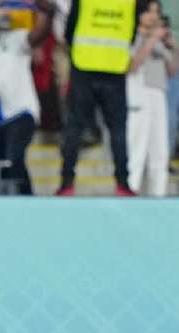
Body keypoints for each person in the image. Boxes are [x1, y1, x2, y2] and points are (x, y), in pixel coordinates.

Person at [0, 2, 55, 195]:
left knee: (13, 158)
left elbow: (38, 35)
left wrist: (46, 14)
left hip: (20, 111)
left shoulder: (16, 39)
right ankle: (24, 198)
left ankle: (21, 201)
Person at [58, 0, 138, 196]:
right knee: (118, 130)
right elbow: (132, 34)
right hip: (114, 67)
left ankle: (67, 184)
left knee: (74, 127)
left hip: (84, 66)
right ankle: (122, 184)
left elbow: (69, 30)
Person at [126, 1, 177, 196]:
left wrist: (172, 47)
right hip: (138, 93)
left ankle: (159, 197)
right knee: (137, 150)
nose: (153, 17)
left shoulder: (159, 40)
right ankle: (130, 193)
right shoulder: (133, 35)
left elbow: (172, 70)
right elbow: (132, 65)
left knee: (160, 153)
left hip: (159, 93)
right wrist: (150, 40)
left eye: (156, 12)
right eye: (149, 12)